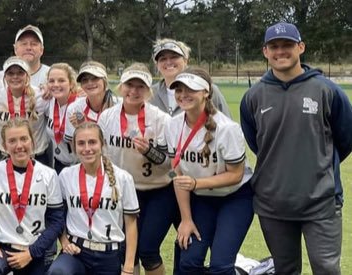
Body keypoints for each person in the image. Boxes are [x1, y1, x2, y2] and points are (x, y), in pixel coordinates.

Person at [240, 22, 352, 275]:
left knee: (326, 269)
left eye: (288, 45)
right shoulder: (253, 96)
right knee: (285, 269)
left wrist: (317, 164)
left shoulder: (327, 90)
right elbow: (258, 143)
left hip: (320, 202)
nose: (281, 52)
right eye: (274, 47)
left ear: (300, 47)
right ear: (265, 52)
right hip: (273, 203)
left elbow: (345, 139)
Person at [167, 68, 253, 275]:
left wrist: (196, 184)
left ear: (206, 92)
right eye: (179, 89)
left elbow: (235, 175)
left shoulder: (227, 129)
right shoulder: (172, 125)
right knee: (188, 263)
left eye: (191, 89)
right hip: (203, 200)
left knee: (220, 267)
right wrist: (186, 220)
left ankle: (245, 270)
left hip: (236, 198)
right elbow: (178, 176)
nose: (183, 94)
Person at [96, 63, 173, 275]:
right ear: (121, 87)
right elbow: (101, 156)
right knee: (126, 251)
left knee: (148, 250)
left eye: (141, 86)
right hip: (121, 192)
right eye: (130, 84)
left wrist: (150, 151)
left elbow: (170, 163)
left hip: (158, 190)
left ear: (149, 91)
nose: (134, 91)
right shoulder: (107, 117)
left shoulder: (160, 119)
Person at [48, 122, 140, 275]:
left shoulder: (123, 178)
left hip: (109, 254)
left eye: (92, 142)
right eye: (81, 143)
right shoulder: (66, 175)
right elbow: (58, 215)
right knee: (58, 272)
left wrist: (129, 267)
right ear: (75, 147)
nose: (87, 148)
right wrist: (64, 242)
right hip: (76, 251)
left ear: (102, 144)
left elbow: (131, 225)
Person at [0, 118, 65, 275]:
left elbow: (56, 220)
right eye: (12, 141)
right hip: (3, 247)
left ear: (32, 141)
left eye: (24, 139)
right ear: (4, 146)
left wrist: (32, 252)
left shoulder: (49, 175)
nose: (19, 146)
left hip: (36, 248)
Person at [149, 39, 231, 117]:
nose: (169, 62)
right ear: (157, 65)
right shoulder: (149, 94)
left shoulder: (206, 89)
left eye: (174, 57)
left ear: (185, 60)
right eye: (163, 59)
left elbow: (227, 125)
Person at [0, 57, 50, 165]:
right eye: (10, 73)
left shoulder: (41, 96)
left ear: (27, 75)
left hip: (36, 155)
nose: (15, 77)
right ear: (4, 76)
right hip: (6, 155)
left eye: (20, 73)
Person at [44, 63, 80, 172]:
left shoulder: (81, 105)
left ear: (71, 83)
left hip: (80, 165)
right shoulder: (49, 101)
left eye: (61, 80)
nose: (56, 84)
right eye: (51, 81)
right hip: (58, 163)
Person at [70, 61, 118, 125]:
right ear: (81, 85)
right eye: (85, 80)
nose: (90, 83)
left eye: (95, 78)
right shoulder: (74, 108)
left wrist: (85, 126)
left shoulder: (120, 106)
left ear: (105, 81)